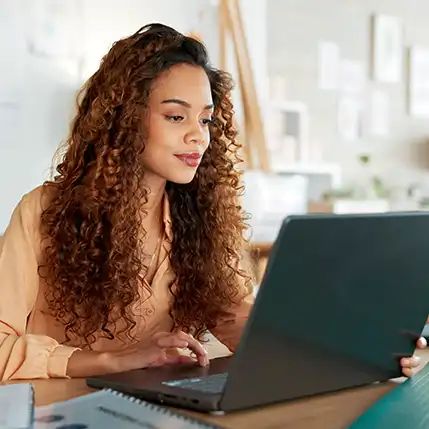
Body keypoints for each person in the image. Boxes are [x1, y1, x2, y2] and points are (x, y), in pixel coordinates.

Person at [0, 24, 425, 381]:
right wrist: (115, 360)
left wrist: (353, 348)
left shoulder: (199, 219)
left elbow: (241, 323)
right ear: (124, 119)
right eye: (175, 116)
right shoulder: (43, 212)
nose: (198, 136)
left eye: (205, 119)